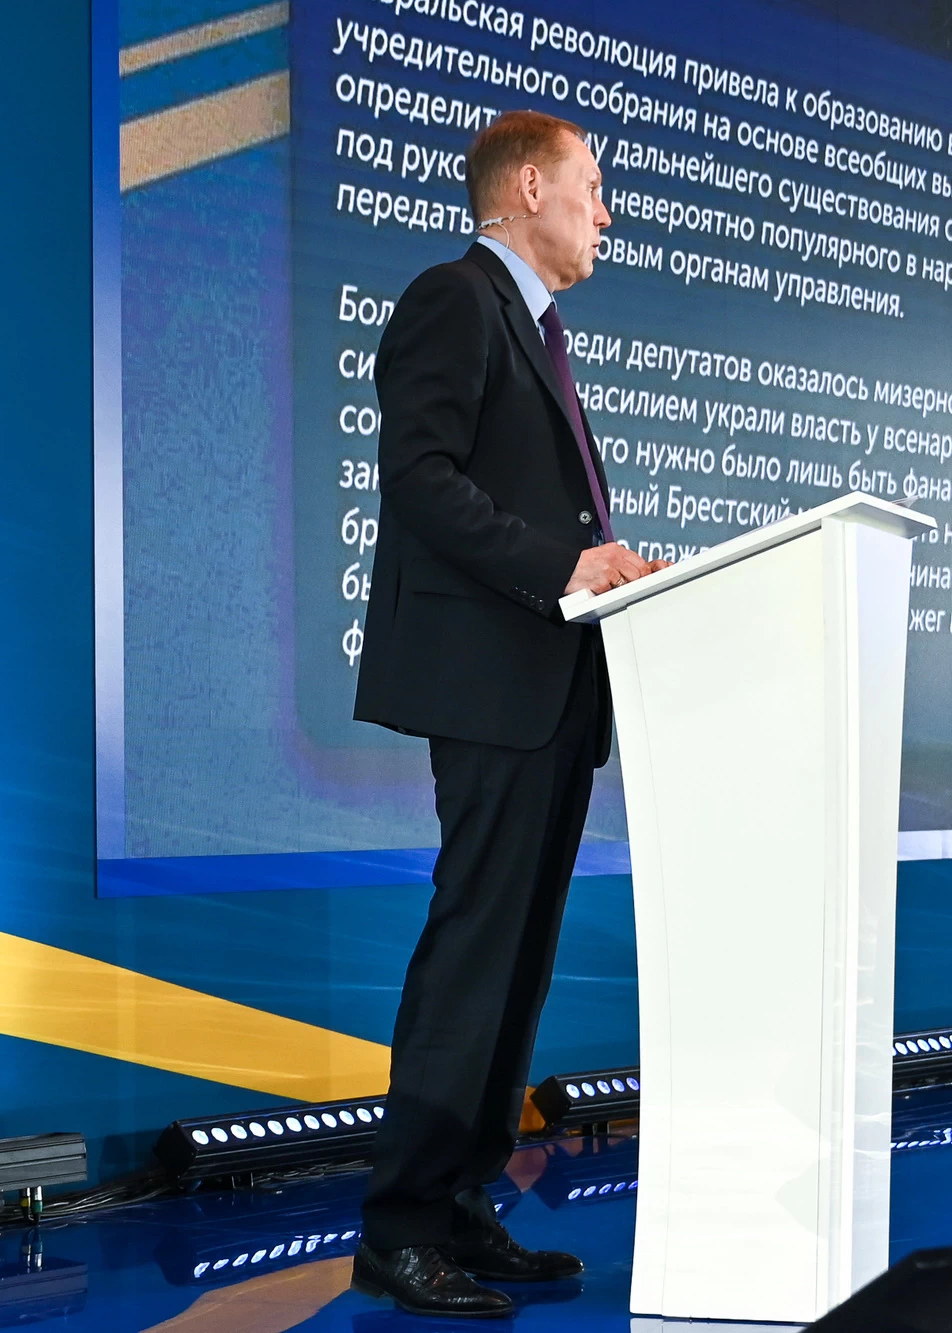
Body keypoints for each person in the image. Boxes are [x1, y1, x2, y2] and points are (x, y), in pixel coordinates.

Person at [350, 109, 669, 1316]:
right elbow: (420, 481)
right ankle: (400, 1225)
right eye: (591, 187)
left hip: (549, 690)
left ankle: (461, 1203)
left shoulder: (537, 330)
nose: (605, 213)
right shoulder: (454, 298)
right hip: (490, 687)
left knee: (517, 964)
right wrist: (562, 565)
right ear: (527, 187)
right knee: (476, 953)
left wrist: (600, 569)